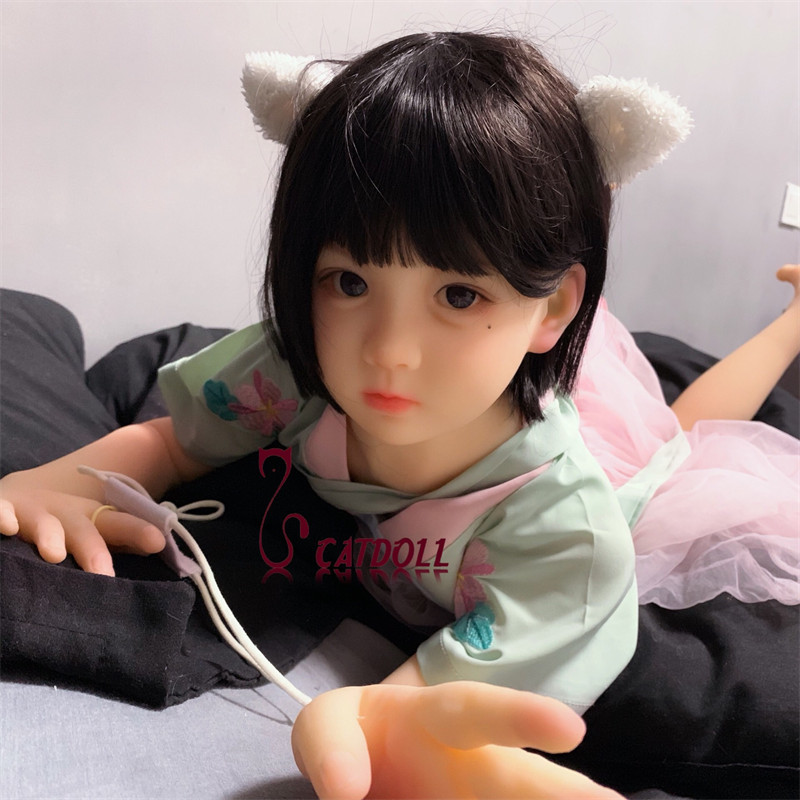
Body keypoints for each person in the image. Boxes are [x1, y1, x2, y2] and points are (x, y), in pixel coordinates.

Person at [0, 31, 797, 800]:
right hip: (506, 367)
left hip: (583, 444)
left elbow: (414, 713)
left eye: (459, 294)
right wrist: (60, 480)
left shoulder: (566, 536)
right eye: (350, 281)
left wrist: (366, 728)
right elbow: (174, 443)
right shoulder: (295, 368)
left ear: (553, 306)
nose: (389, 351)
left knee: (673, 444)